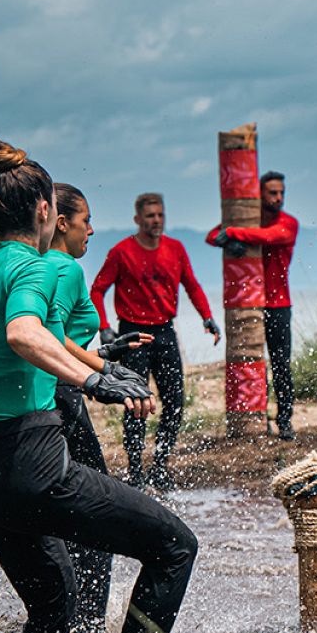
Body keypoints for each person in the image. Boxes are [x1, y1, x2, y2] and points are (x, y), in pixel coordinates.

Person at [0, 143, 198, 633]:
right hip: (32, 464)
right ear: (45, 210)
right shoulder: (32, 266)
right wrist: (93, 380)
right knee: (173, 546)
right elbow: (25, 332)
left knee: (52, 603)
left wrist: (95, 363)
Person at [46, 183, 153, 633]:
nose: (92, 228)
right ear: (61, 221)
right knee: (96, 525)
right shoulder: (63, 266)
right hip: (63, 403)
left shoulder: (43, 267)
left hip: (56, 399)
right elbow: (47, 339)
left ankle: (67, 625)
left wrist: (104, 352)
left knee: (65, 520)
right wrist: (103, 371)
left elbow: (60, 339)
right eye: (85, 219)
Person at [91, 192, 219, 490]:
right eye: (150, 216)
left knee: (174, 401)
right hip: (133, 334)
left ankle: (160, 465)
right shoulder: (122, 251)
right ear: (138, 219)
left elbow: (192, 285)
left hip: (164, 332)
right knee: (135, 401)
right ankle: (135, 470)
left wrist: (207, 317)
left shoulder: (175, 249)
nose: (156, 220)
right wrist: (106, 328)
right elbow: (97, 290)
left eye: (160, 215)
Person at [205, 170, 300, 440]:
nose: (278, 198)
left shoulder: (288, 223)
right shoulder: (250, 221)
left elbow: (269, 237)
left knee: (281, 363)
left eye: (282, 192)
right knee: (252, 364)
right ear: (260, 195)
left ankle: (285, 421)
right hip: (249, 305)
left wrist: (234, 235)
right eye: (272, 193)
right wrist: (229, 242)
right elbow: (211, 236)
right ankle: (257, 420)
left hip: (278, 304)